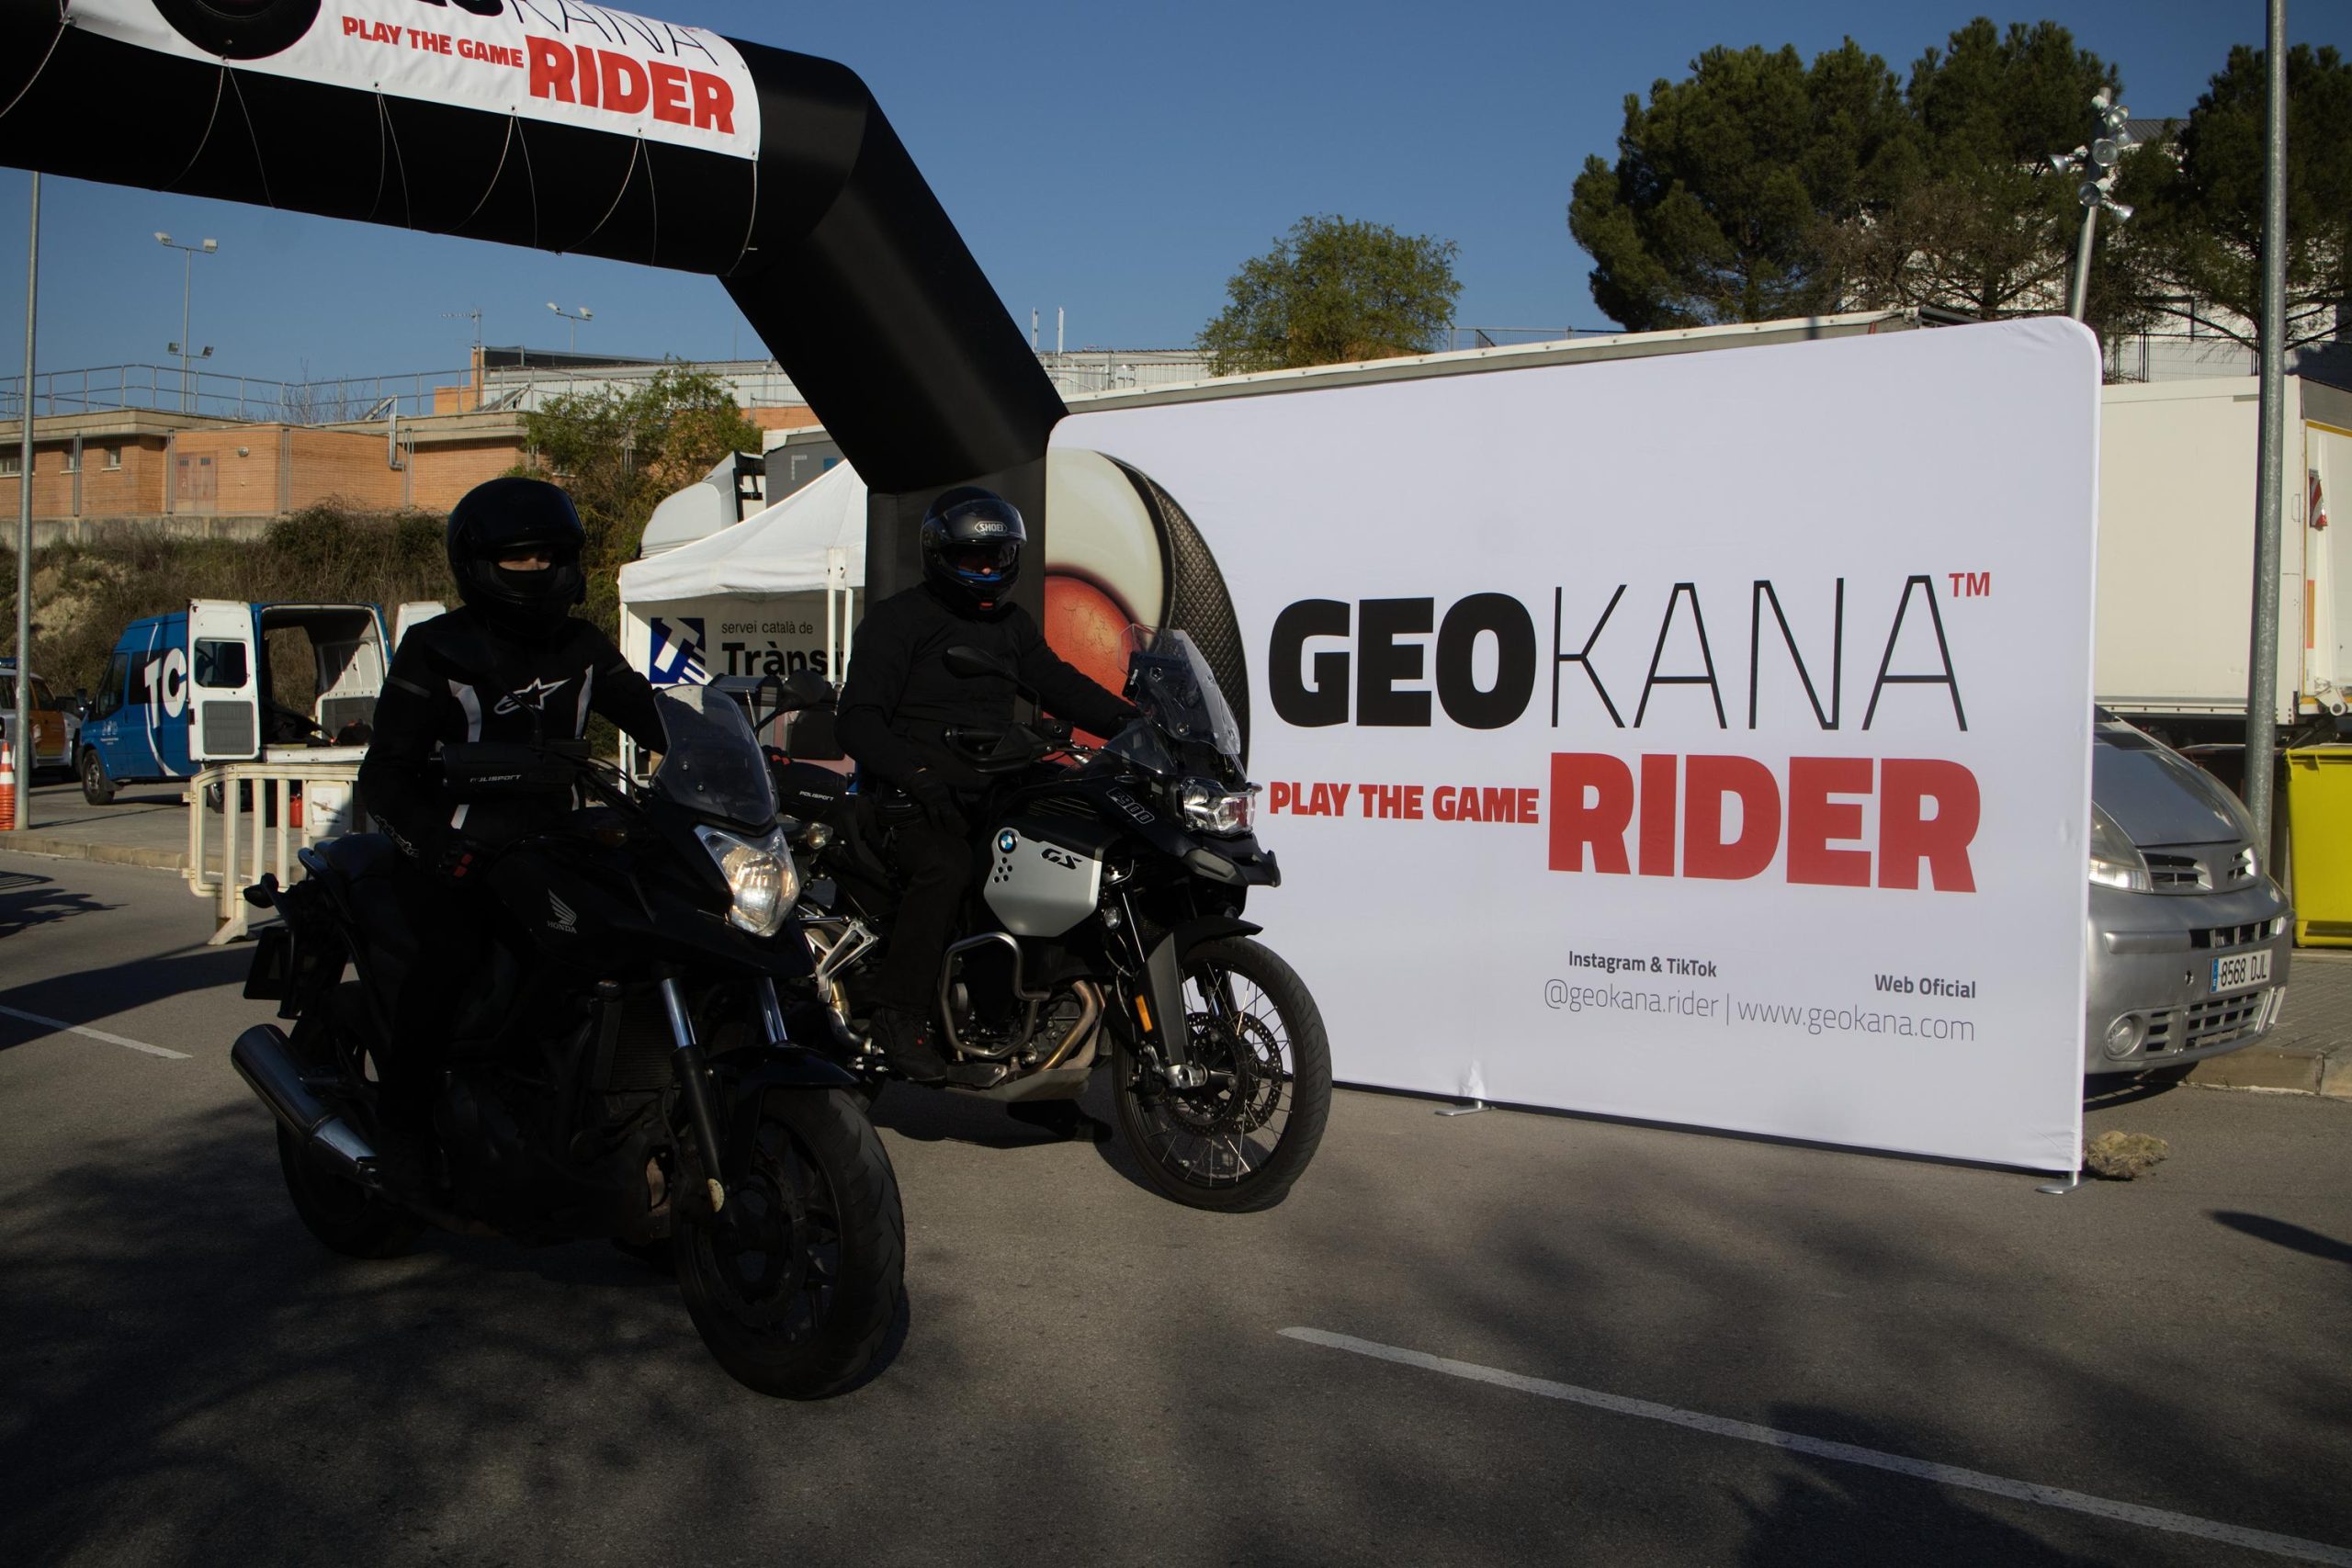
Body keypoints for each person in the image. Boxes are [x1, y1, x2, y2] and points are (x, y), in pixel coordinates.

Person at [358, 476, 666, 1169]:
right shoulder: (435, 649)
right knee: (450, 961)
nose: (534, 569)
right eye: (516, 557)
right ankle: (403, 1133)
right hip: (460, 855)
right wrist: (435, 846)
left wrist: (750, 758)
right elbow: (383, 776)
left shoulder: (582, 646)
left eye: (547, 556)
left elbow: (657, 717)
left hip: (554, 851)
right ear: (477, 564)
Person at [835, 485, 1136, 1087]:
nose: (987, 568)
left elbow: (1062, 685)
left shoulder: (1011, 625)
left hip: (991, 792)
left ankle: (1040, 1030)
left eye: (997, 556)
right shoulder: (898, 621)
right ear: (939, 553)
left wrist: (1137, 724)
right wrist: (919, 778)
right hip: (910, 802)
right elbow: (857, 720)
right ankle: (898, 1015)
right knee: (947, 867)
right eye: (973, 556)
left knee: (1066, 851)